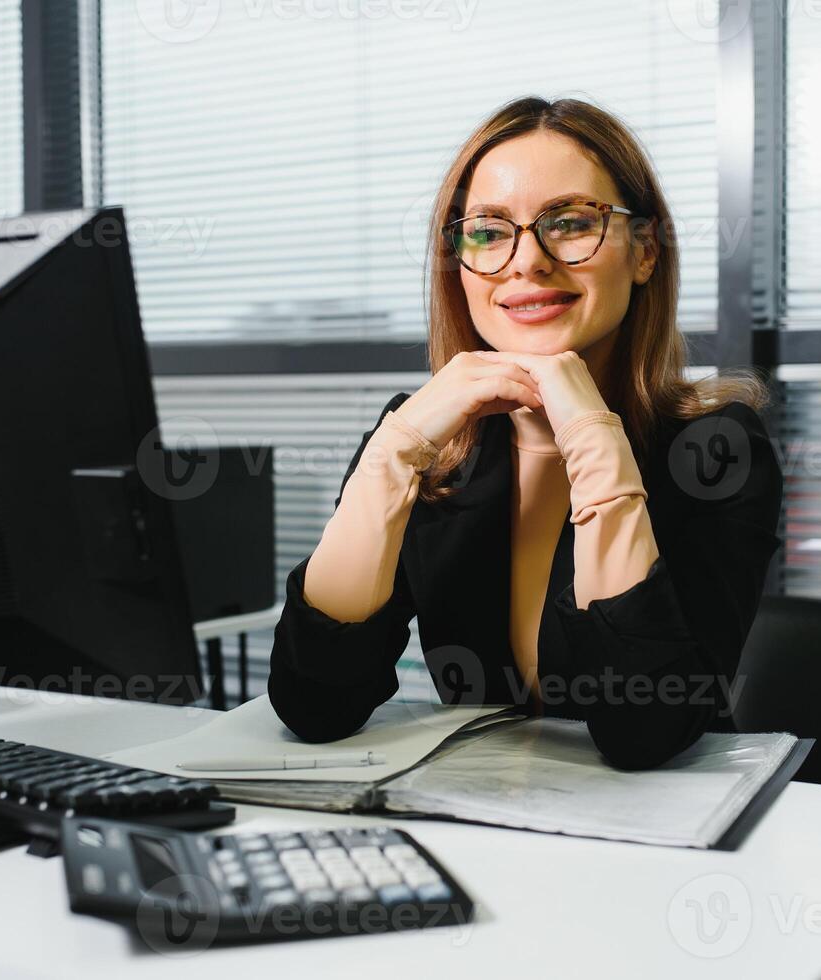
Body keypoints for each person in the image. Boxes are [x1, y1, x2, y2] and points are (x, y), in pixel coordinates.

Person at [268, 96, 783, 770]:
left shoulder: (717, 449)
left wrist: (591, 432)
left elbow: (646, 731)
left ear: (645, 252)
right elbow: (316, 706)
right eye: (487, 232)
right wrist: (392, 453)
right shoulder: (431, 439)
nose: (527, 260)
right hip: (471, 824)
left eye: (570, 223)